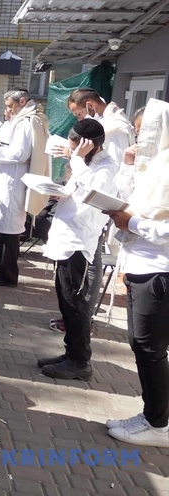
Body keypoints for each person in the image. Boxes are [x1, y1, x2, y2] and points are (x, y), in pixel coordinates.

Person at [104, 99, 169, 447]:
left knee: (149, 347)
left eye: (145, 134)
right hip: (140, 265)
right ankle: (153, 414)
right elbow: (131, 198)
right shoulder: (156, 164)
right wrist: (129, 166)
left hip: (160, 270)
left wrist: (133, 223)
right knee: (142, 345)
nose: (139, 140)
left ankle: (159, 423)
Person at [35, 119, 119, 381]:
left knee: (76, 303)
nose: (71, 151)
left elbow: (93, 192)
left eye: (75, 146)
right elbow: (76, 190)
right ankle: (70, 353)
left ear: (88, 145)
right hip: (65, 236)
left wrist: (78, 160)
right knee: (65, 300)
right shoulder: (87, 162)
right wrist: (59, 192)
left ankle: (80, 361)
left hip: (79, 241)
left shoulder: (106, 167)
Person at [0, 88, 50, 287]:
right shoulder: (22, 120)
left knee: (9, 231)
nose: (8, 110)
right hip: (9, 179)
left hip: (13, 182)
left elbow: (19, 153)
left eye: (10, 106)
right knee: (4, 229)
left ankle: (7, 275)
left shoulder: (26, 122)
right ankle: (3, 271)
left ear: (22, 101)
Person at [63, 88, 135, 165]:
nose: (79, 119)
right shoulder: (103, 120)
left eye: (79, 114)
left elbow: (117, 162)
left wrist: (77, 158)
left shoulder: (113, 126)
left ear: (90, 105)